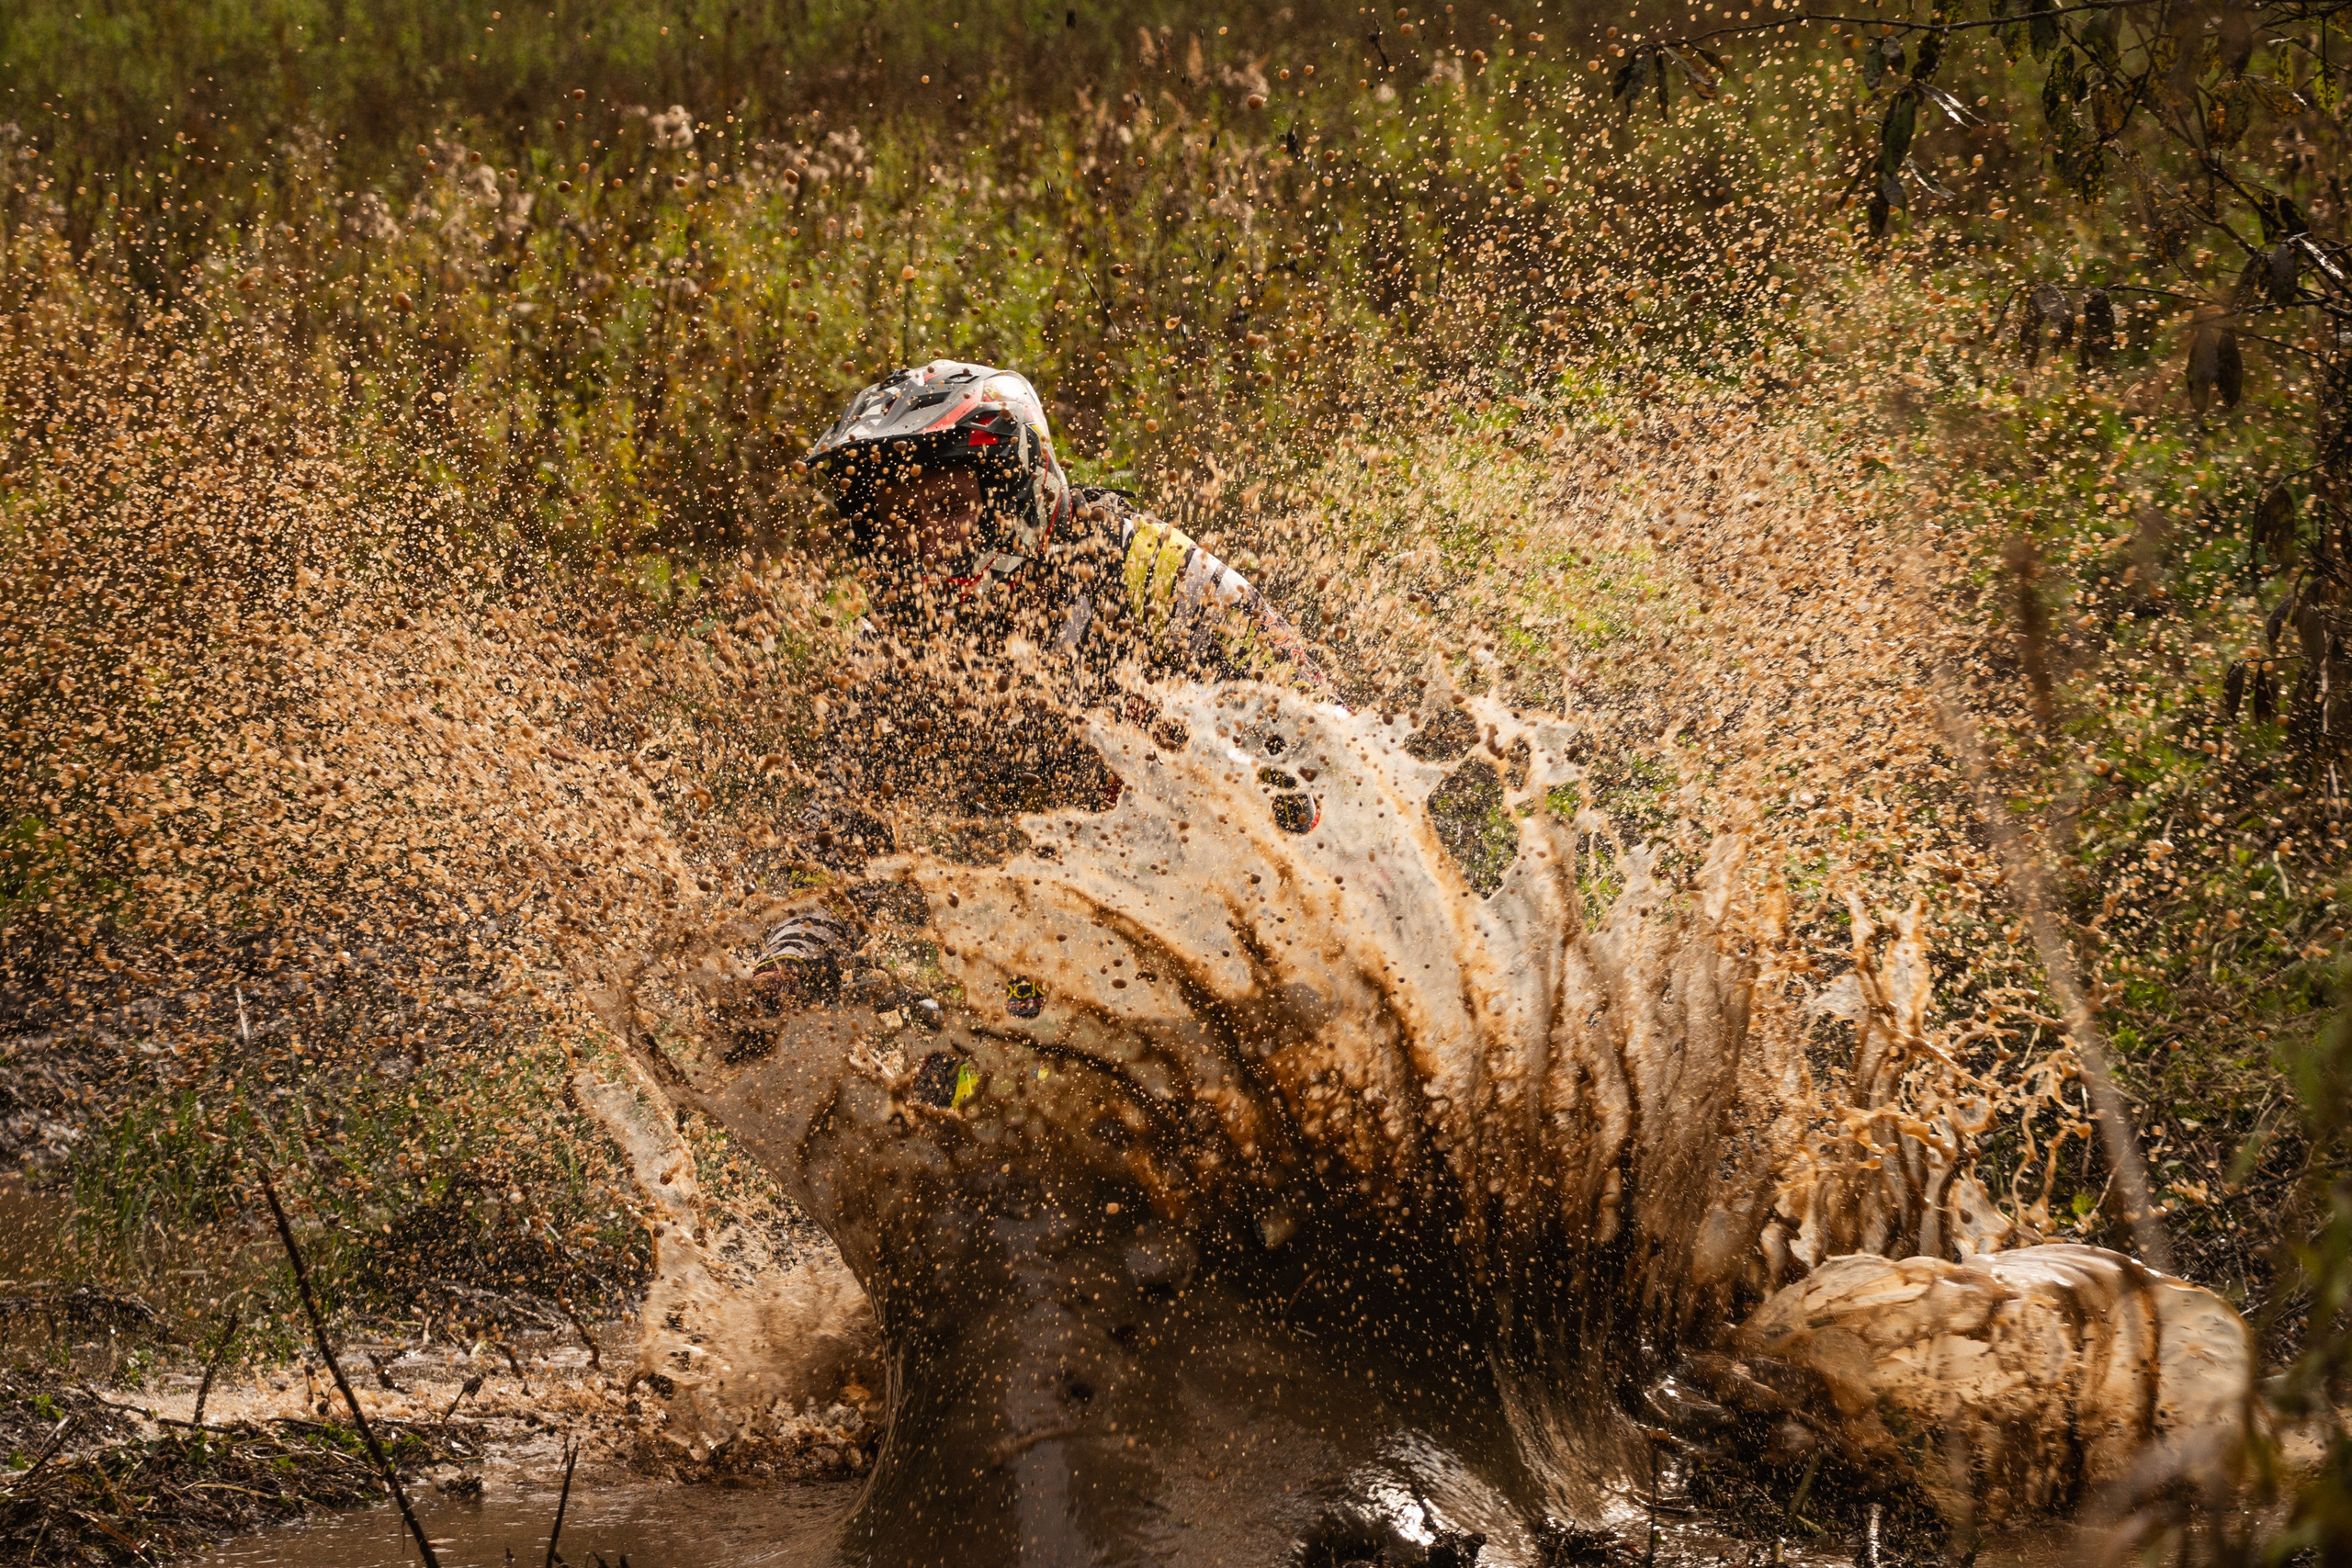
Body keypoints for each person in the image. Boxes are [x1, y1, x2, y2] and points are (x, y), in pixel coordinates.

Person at [744, 361, 1332, 1021]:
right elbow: (838, 837)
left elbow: (1315, 714)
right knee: (953, 1063)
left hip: (1257, 897)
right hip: (1063, 952)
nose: (924, 540)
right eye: (900, 520)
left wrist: (1276, 787)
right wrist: (788, 967)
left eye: (946, 507)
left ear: (1012, 485)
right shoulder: (900, 648)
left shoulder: (1140, 560)